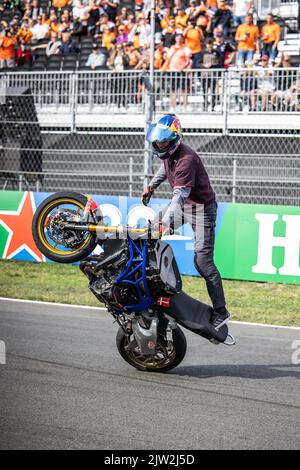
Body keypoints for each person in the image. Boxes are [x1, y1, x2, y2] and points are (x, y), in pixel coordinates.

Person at [142, 114, 230, 330]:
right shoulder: (168, 153)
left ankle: (221, 311)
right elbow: (165, 167)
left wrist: (166, 222)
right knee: (148, 233)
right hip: (184, 206)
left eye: (162, 141)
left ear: (173, 140)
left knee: (203, 263)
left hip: (201, 210)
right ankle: (150, 288)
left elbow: (178, 198)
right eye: (157, 141)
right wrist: (151, 186)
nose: (158, 145)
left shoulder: (187, 159)